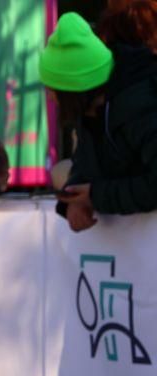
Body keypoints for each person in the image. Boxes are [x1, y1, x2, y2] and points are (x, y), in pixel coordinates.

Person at [41, 11, 157, 231]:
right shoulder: (91, 110)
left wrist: (96, 196)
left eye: (52, 89)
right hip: (136, 241)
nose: (49, 96)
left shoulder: (140, 106)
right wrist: (73, 201)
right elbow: (85, 164)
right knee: (61, 171)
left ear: (72, 91)